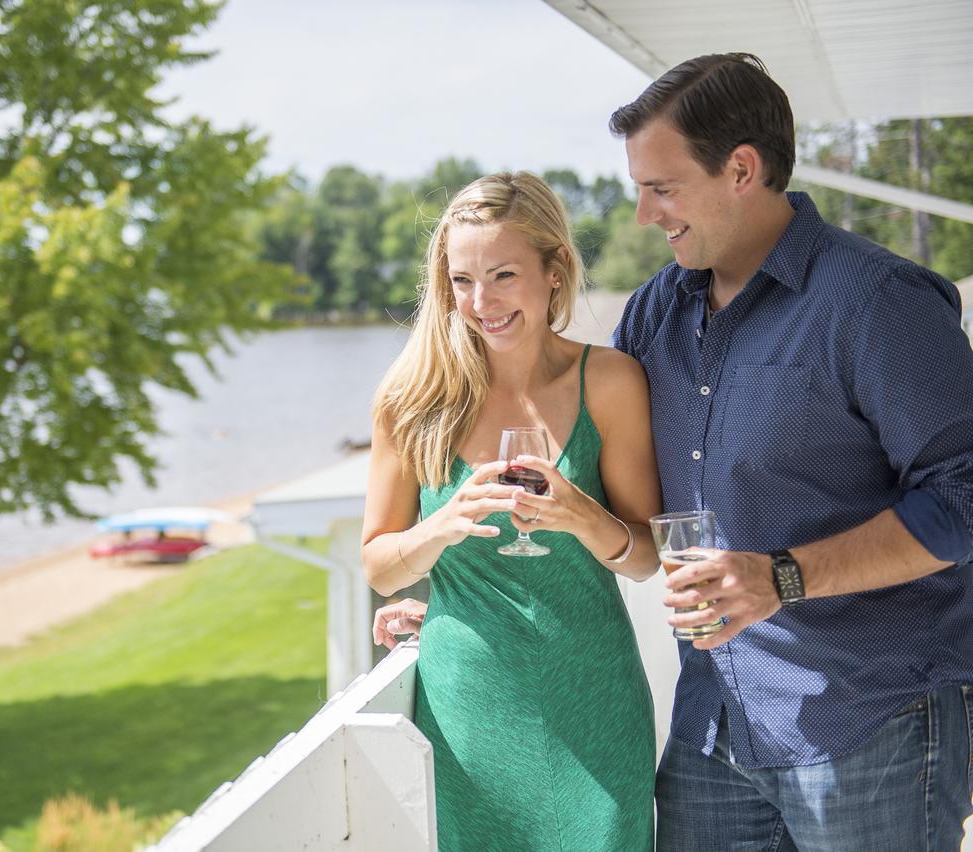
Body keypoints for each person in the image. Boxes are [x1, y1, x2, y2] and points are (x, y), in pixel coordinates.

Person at [385, 53, 973, 849]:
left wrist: (785, 576)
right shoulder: (660, 310)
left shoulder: (874, 303)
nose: (641, 215)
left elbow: (964, 495)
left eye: (661, 188)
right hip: (712, 726)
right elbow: (600, 477)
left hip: (865, 719)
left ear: (741, 169)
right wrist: (464, 596)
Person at [362, 171, 663, 851]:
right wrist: (441, 527)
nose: (481, 302)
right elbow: (380, 566)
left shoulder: (610, 383)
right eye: (462, 281)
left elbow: (646, 557)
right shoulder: (412, 402)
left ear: (555, 270)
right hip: (469, 713)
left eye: (502, 275)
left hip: (594, 704)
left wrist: (586, 518)